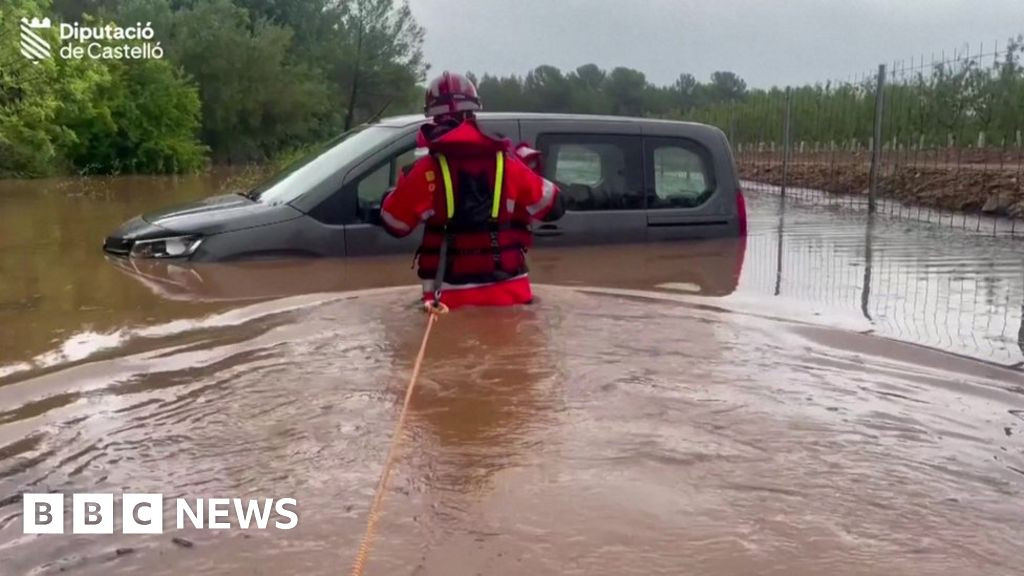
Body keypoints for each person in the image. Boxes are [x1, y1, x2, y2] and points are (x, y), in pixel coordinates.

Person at [378, 71, 564, 310]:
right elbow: (554, 206)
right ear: (473, 113)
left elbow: (395, 224)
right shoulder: (507, 163)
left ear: (432, 117)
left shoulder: (425, 171)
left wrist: (392, 195)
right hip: (511, 295)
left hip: (448, 300)